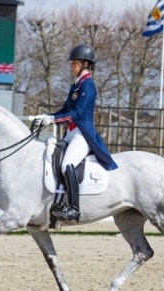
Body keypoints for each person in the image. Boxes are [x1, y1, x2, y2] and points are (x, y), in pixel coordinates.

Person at [38, 43, 118, 222]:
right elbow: (65, 109)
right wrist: (47, 117)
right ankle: (57, 201)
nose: (71, 66)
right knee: (52, 157)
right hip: (70, 134)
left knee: (67, 165)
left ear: (85, 64)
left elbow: (78, 114)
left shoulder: (88, 86)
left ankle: (74, 208)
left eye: (74, 63)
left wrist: (54, 121)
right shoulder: (76, 85)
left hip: (83, 135)